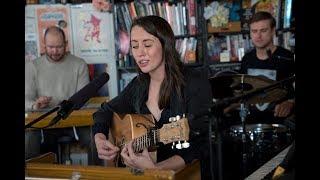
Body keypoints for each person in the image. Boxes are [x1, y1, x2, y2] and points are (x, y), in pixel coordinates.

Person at [92, 15, 213, 173]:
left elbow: (202, 144)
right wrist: (100, 138)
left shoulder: (194, 82)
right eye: (134, 46)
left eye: (147, 45)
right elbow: (105, 111)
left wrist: (156, 168)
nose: (140, 53)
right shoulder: (139, 85)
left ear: (166, 44)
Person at [25, 26, 90, 160]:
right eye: (50, 47)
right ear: (44, 45)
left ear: (66, 44)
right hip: (44, 119)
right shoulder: (32, 66)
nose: (55, 51)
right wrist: (35, 104)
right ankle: (33, 174)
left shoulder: (79, 64)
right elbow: (26, 99)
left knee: (96, 135)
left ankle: (97, 173)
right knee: (29, 137)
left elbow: (84, 98)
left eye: (59, 47)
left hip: (74, 118)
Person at [239, 11, 295, 124]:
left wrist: (291, 102)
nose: (258, 36)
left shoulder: (287, 57)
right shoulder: (247, 59)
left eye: (263, 31)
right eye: (254, 31)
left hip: (281, 124)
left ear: (273, 31)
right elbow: (242, 92)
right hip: (252, 124)